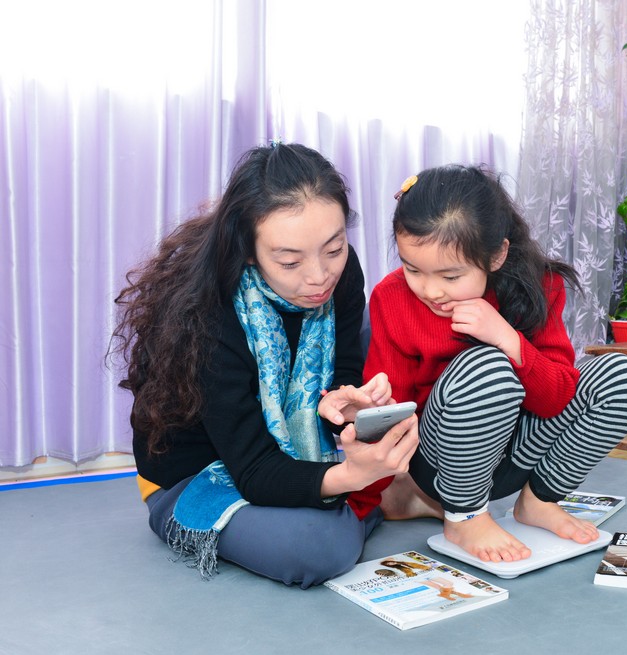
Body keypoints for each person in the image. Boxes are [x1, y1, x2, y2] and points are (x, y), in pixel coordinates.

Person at [111, 142, 418, 588]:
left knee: (378, 319)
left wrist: (342, 400)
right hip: (201, 473)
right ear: (249, 250)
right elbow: (253, 471)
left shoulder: (341, 273)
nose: (319, 276)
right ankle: (373, 499)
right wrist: (353, 477)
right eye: (290, 261)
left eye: (333, 248)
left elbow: (346, 363)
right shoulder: (208, 315)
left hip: (282, 455)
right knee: (316, 549)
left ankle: (358, 495)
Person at [361, 164, 627, 563]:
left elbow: (555, 400)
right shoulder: (391, 297)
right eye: (413, 269)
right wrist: (373, 412)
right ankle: (463, 516)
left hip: (516, 454)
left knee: (622, 377)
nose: (429, 289)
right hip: (444, 462)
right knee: (485, 368)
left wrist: (508, 339)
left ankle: (539, 500)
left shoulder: (541, 285)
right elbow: (395, 410)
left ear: (496, 256)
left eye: (451, 275)